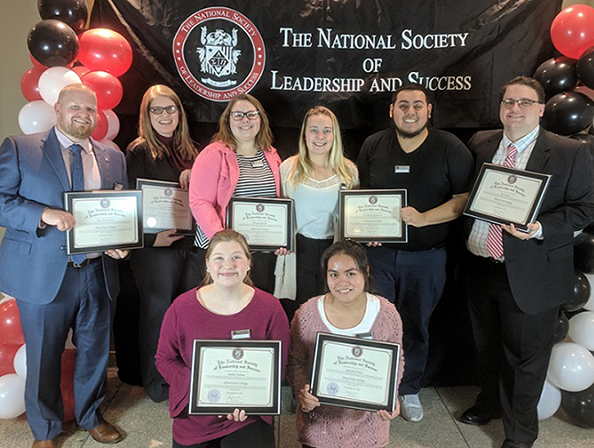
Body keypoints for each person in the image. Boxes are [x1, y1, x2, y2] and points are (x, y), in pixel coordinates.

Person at [460, 76, 594, 448]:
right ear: (500, 107)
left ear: (540, 109)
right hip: (480, 264)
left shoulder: (568, 151)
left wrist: (538, 228)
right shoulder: (481, 143)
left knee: (524, 359)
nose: (514, 109)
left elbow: (585, 208)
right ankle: (489, 402)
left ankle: (519, 434)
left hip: (533, 272)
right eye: (508, 102)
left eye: (524, 102)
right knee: (485, 347)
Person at [0, 84, 128, 448]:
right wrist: (41, 213)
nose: (83, 115)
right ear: (57, 109)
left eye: (90, 109)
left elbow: (117, 210)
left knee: (95, 350)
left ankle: (91, 415)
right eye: (75, 107)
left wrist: (120, 242)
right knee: (42, 354)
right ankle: (46, 429)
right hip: (44, 271)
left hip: (97, 270)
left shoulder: (112, 155)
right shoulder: (21, 147)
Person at [356, 83, 474, 422]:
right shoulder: (373, 145)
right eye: (403, 105)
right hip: (378, 256)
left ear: (429, 110)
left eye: (417, 105)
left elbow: (464, 199)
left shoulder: (450, 147)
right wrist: (367, 229)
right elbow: (361, 195)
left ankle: (408, 390)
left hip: (428, 257)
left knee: (416, 325)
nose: (410, 111)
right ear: (391, 110)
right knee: (375, 324)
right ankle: (378, 389)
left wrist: (423, 219)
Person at [155, 229, 290, 448]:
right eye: (219, 258)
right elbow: (164, 359)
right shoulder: (182, 307)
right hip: (194, 412)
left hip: (247, 415)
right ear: (207, 263)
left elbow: (279, 365)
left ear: (248, 263)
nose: (228, 264)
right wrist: (197, 384)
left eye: (236, 257)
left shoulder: (270, 308)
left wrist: (250, 399)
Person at [123, 84, 203, 402]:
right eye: (157, 109)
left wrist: (195, 175)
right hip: (155, 249)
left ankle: (184, 376)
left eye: (171, 109)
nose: (165, 115)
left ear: (180, 114)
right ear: (146, 115)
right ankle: (158, 383)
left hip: (191, 245)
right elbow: (131, 202)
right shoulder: (139, 150)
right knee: (158, 312)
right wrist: (151, 239)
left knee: (189, 314)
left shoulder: (193, 151)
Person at [288, 240, 404, 448]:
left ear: (365, 272)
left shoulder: (386, 313)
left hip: (369, 428)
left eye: (350, 273)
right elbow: (295, 361)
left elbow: (396, 360)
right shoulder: (307, 313)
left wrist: (390, 396)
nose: (342, 282)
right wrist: (302, 393)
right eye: (334, 274)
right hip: (319, 427)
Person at [189, 94, 285, 294]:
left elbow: (279, 202)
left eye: (251, 114)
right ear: (227, 120)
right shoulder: (213, 153)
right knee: (222, 307)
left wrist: (282, 239)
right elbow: (200, 202)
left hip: (261, 251)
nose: (245, 120)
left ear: (261, 119)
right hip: (223, 254)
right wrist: (223, 241)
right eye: (238, 115)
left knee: (258, 304)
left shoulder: (272, 155)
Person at [278, 106, 359, 311]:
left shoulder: (348, 171)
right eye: (313, 130)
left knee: (331, 308)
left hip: (334, 249)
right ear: (304, 134)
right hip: (298, 251)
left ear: (335, 135)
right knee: (300, 310)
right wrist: (278, 239)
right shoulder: (288, 168)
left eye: (326, 130)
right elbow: (277, 213)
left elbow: (356, 216)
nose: (320, 136)